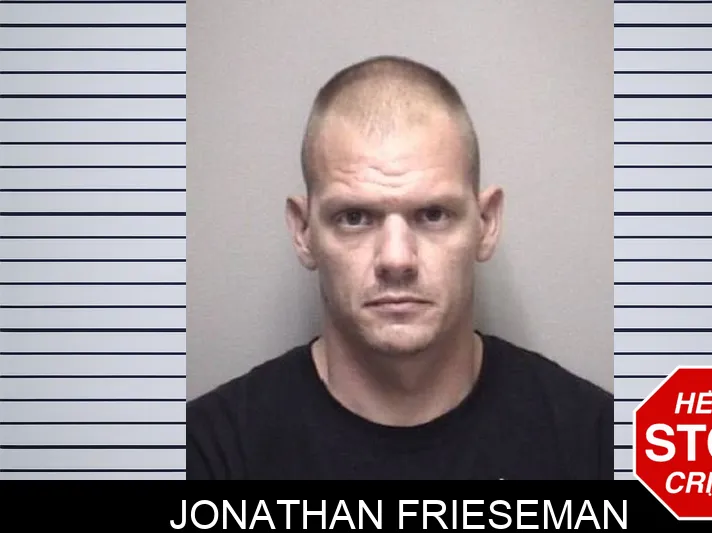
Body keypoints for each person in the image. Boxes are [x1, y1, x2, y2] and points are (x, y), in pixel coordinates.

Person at [186, 55, 613, 480]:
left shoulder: (598, 445)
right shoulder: (206, 454)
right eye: (355, 218)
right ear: (303, 232)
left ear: (486, 223)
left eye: (433, 214)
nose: (396, 259)